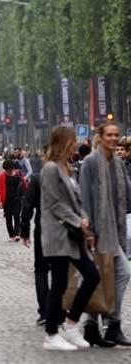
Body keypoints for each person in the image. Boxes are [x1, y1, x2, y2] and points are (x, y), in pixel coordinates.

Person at [40, 126, 100, 351]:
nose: (75, 144)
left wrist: (84, 221)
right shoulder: (50, 169)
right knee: (59, 283)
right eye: (72, 141)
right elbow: (54, 204)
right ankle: (51, 334)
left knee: (92, 275)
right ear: (63, 142)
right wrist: (78, 221)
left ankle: (71, 324)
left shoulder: (68, 168)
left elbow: (76, 201)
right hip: (57, 234)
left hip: (72, 234)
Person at [79, 123, 131, 347]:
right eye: (109, 135)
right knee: (115, 273)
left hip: (115, 229)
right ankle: (110, 323)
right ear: (100, 137)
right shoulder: (90, 162)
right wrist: (89, 231)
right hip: (98, 231)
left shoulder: (118, 163)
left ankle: (99, 325)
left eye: (116, 135)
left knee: (110, 275)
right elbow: (84, 196)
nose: (113, 138)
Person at [20, 148, 50, 327]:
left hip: (47, 229)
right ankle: (51, 310)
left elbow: (27, 205)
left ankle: (48, 310)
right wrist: (24, 229)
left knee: (45, 270)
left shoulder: (38, 178)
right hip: (48, 229)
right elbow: (28, 205)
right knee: (46, 270)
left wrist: (24, 230)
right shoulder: (66, 176)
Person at [0, 160, 26, 242]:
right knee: (8, 218)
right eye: (6, 170)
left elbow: (24, 184)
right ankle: (11, 234)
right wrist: (0, 201)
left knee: (17, 216)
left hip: (17, 199)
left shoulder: (18, 174)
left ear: (12, 168)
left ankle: (17, 234)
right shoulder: (2, 176)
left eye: (9, 169)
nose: (8, 171)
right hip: (6, 200)